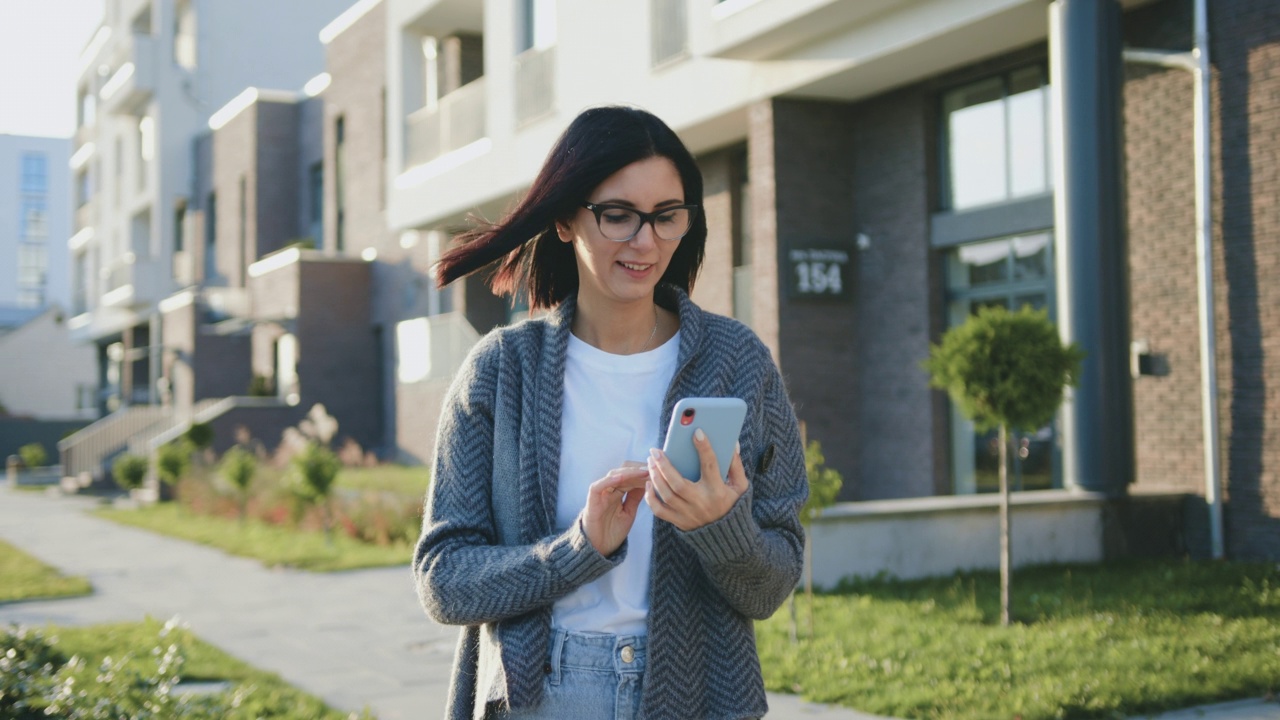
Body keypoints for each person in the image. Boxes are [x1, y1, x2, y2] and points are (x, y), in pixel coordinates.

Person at [413, 105, 808, 720]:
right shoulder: (499, 371)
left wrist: (720, 527)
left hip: (698, 697)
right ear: (567, 219)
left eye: (666, 217)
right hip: (543, 695)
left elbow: (772, 585)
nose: (645, 241)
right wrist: (579, 548)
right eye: (618, 215)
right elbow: (443, 580)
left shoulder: (738, 362)